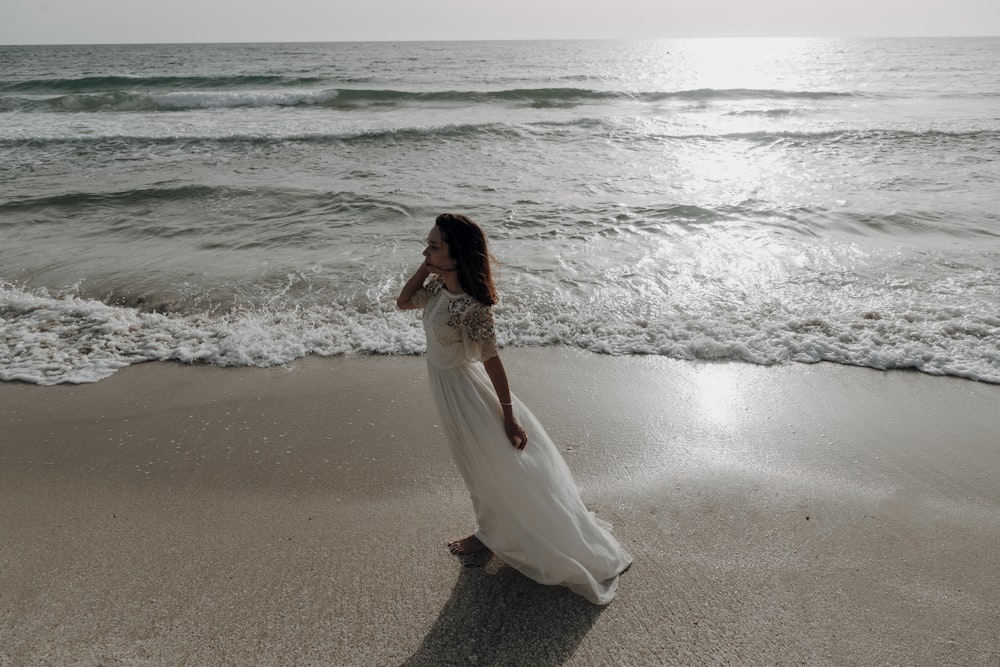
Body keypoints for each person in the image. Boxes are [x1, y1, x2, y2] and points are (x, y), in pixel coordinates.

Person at [396, 213, 632, 605]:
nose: (425, 250)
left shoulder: (472, 306)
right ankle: (488, 530)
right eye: (427, 245)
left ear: (458, 254)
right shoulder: (437, 287)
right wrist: (429, 264)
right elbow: (403, 301)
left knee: (491, 464)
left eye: (434, 246)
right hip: (445, 387)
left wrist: (509, 416)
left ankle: (492, 533)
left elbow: (492, 362)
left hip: (467, 393)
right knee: (472, 465)